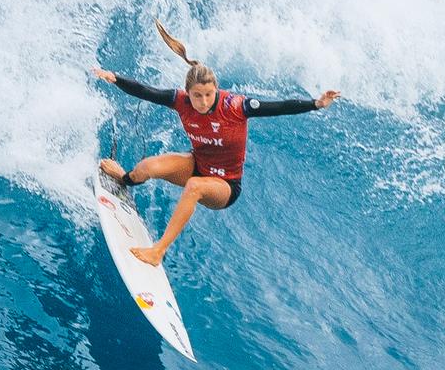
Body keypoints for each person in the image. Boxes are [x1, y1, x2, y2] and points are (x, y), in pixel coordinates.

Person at [92, 21, 340, 267]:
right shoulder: (180, 101)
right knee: (147, 167)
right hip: (198, 164)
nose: (202, 101)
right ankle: (123, 179)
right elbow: (146, 91)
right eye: (197, 95)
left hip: (225, 186)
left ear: (216, 90)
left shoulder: (235, 107)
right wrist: (115, 78)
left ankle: (158, 251)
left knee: (194, 187)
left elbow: (280, 106)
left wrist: (315, 104)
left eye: (208, 95)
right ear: (188, 92)